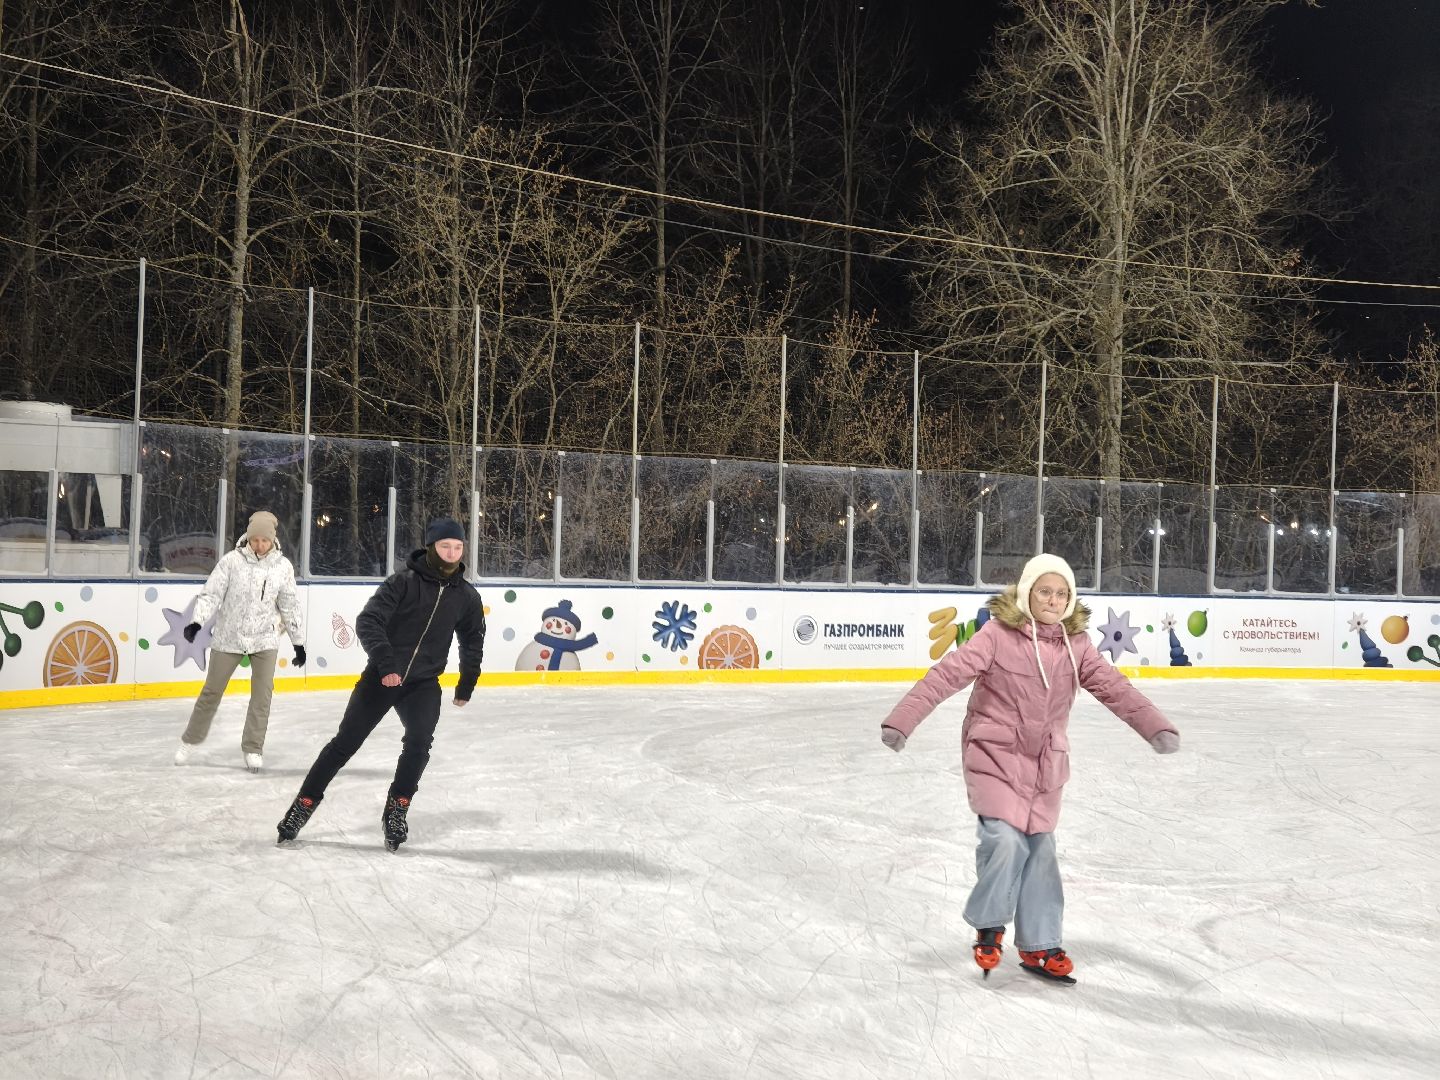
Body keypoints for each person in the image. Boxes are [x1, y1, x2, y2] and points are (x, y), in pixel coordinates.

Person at [879, 553, 1180, 984]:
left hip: (1045, 766)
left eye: (1061, 594)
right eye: (1044, 591)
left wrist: (1154, 726)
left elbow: (1116, 689)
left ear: (1070, 600)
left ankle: (1039, 945)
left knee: (1041, 851)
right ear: (1027, 592)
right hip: (994, 755)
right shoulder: (995, 636)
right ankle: (989, 923)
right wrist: (902, 720)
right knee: (1005, 840)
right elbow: (945, 676)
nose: (1053, 600)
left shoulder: (1077, 648)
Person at [276, 518, 486, 851]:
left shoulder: (467, 596)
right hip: (382, 677)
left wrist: (467, 683)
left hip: (423, 682)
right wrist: (386, 664)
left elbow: (473, 639)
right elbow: (368, 621)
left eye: (458, 547)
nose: (451, 553)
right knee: (345, 744)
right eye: (445, 546)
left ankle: (397, 808)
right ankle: (303, 805)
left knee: (419, 743)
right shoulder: (402, 583)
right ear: (431, 546)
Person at [174, 510, 306, 773]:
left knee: (262, 696)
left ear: (272, 540)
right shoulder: (231, 562)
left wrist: (298, 642)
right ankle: (190, 740)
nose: (260, 545)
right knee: (211, 691)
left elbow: (289, 605)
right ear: (248, 537)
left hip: (265, 638)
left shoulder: (282, 567)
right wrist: (197, 622)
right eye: (255, 540)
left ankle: (253, 748)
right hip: (229, 637)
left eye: (265, 541)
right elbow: (211, 594)